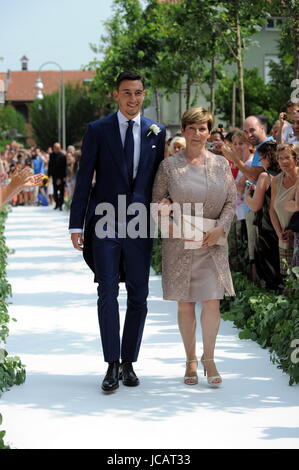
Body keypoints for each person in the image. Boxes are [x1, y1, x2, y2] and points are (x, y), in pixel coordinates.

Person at [69, 70, 166, 393]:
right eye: (127, 93)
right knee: (107, 291)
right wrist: (75, 223)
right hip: (105, 221)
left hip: (140, 223)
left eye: (138, 93)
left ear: (144, 94)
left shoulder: (157, 132)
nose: (133, 99)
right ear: (116, 95)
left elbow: (159, 180)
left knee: (139, 295)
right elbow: (84, 179)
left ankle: (129, 362)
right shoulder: (97, 130)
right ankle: (111, 363)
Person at [152, 106, 236, 387]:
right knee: (186, 303)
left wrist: (220, 228)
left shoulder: (221, 164)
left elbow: (230, 202)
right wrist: (173, 226)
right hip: (180, 242)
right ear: (184, 131)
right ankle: (190, 359)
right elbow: (156, 204)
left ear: (209, 132)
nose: (198, 133)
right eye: (192, 128)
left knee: (212, 302)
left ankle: (209, 358)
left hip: (213, 240)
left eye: (203, 128)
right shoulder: (168, 166)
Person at [245, 141, 282, 289]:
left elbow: (255, 205)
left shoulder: (265, 176)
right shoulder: (285, 173)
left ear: (267, 157)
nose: (261, 163)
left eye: (261, 159)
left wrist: (248, 195)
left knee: (269, 269)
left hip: (267, 226)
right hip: (284, 224)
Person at [270, 144, 299, 276]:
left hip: (297, 234)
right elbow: (272, 210)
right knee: (288, 279)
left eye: (287, 157)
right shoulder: (276, 181)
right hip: (284, 237)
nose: (283, 162)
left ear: (295, 158)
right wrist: (279, 233)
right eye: (280, 158)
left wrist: (293, 232)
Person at [48, 142, 67, 210]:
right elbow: (50, 165)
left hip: (61, 176)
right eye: (55, 148)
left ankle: (61, 204)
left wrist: (61, 177)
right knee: (55, 191)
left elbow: (63, 168)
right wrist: (48, 175)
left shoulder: (63, 156)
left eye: (57, 148)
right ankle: (56, 203)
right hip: (54, 176)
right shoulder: (51, 155)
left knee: (61, 191)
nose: (56, 149)